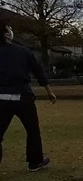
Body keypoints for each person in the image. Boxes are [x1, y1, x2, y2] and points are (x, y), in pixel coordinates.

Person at [0, 19, 57, 171]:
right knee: (32, 129)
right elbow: (38, 72)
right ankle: (35, 161)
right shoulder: (23, 51)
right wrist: (49, 91)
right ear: (6, 33)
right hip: (23, 96)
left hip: (1, 96)